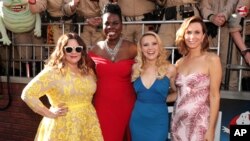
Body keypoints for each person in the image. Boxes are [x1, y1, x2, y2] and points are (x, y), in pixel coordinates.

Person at [21, 33, 103, 141]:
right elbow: (27, 94)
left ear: (82, 51)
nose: (74, 52)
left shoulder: (88, 71)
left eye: (78, 49)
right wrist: (49, 113)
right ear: (61, 50)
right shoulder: (52, 73)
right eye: (69, 49)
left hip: (88, 123)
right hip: (62, 127)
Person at [88, 3, 137, 141]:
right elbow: (85, 76)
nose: (111, 27)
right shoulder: (95, 50)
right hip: (102, 107)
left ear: (122, 25)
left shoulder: (132, 48)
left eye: (115, 23)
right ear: (102, 26)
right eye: (107, 23)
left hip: (128, 106)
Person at [170, 16, 221, 141]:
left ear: (203, 36)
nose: (192, 37)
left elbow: (214, 96)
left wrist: (211, 129)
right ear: (183, 35)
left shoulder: (212, 60)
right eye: (188, 32)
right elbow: (177, 94)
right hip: (177, 123)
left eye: (197, 32)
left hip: (200, 125)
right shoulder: (179, 63)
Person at [129, 31, 177, 141]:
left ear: (159, 46)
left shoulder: (170, 69)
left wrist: (164, 98)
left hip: (158, 121)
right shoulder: (136, 68)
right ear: (141, 49)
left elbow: (179, 92)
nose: (150, 48)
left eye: (154, 44)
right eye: (146, 45)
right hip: (138, 120)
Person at [200, 0, 248, 90]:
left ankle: (232, 100)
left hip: (232, 33)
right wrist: (211, 17)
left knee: (230, 74)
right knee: (207, 72)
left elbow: (240, 11)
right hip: (210, 32)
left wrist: (224, 16)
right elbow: (203, 5)